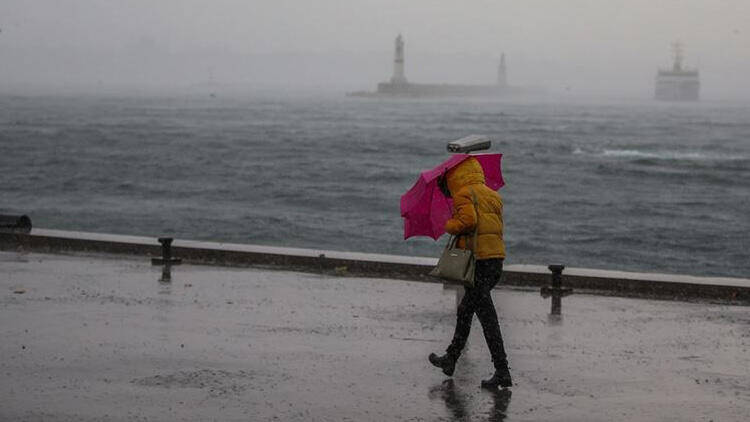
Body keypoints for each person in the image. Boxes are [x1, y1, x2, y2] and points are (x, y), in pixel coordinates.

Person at [429, 156, 512, 388]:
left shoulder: (464, 193)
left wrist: (450, 225)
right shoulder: (492, 195)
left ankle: (502, 370)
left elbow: (468, 221)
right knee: (466, 310)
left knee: (486, 318)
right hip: (495, 261)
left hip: (478, 263)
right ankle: (451, 358)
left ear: (456, 176)